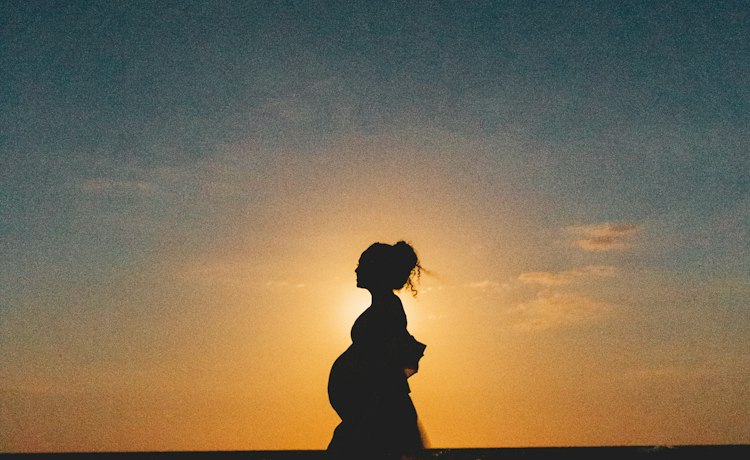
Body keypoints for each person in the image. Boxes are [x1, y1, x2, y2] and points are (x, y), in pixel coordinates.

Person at [326, 241, 427, 460]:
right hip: (373, 405)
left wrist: (371, 400)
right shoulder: (382, 306)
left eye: (362, 264)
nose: (356, 270)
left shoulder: (388, 307)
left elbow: (385, 358)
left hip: (379, 406)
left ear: (377, 270)